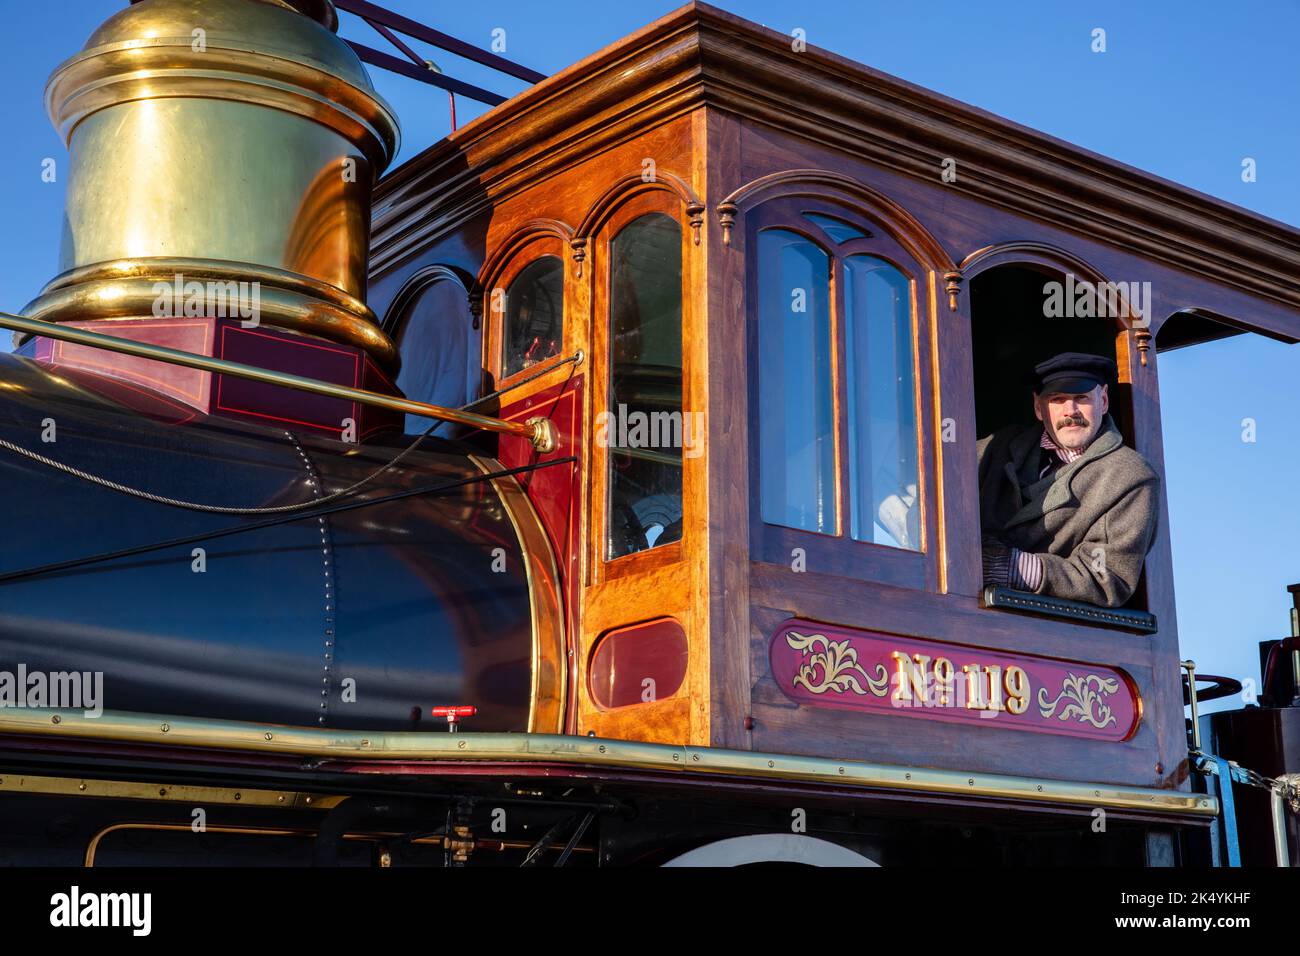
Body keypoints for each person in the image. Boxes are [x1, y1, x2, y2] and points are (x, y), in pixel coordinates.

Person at [977, 352, 1160, 608]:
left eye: (1081, 398)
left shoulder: (1131, 477)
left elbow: (1108, 577)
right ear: (1039, 408)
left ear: (1103, 400)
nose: (1070, 411)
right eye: (1057, 399)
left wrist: (1015, 568)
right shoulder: (996, 448)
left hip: (1045, 630)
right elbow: (938, 488)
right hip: (963, 609)